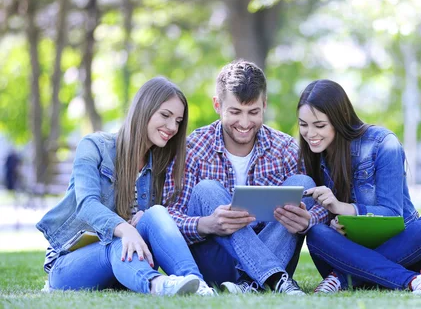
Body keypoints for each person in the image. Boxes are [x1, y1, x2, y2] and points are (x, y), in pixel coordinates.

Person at [36, 77, 216, 296]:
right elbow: (86, 204)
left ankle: (197, 285)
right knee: (116, 241)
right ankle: (157, 285)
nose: (172, 127)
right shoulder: (94, 147)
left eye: (178, 121)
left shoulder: (161, 165)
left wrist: (146, 217)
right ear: (144, 109)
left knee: (157, 213)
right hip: (71, 264)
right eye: (165, 115)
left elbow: (168, 220)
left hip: (126, 265)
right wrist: (126, 228)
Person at [164, 60, 328, 295]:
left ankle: (251, 284)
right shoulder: (194, 147)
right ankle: (270, 278)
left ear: (264, 104)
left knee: (304, 184)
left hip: (275, 249)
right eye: (235, 112)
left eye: (253, 112)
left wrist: (308, 219)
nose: (244, 123)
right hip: (217, 262)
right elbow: (168, 216)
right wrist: (206, 224)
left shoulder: (284, 148)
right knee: (207, 189)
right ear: (217, 105)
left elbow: (322, 205)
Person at [298, 79, 421, 294]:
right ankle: (412, 281)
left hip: (405, 253)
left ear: (339, 120)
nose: (310, 134)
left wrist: (342, 208)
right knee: (316, 234)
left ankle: (343, 279)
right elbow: (322, 217)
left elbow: (390, 214)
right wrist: (332, 223)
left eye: (319, 125)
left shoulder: (383, 144)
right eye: (303, 125)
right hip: (352, 255)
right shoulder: (312, 155)